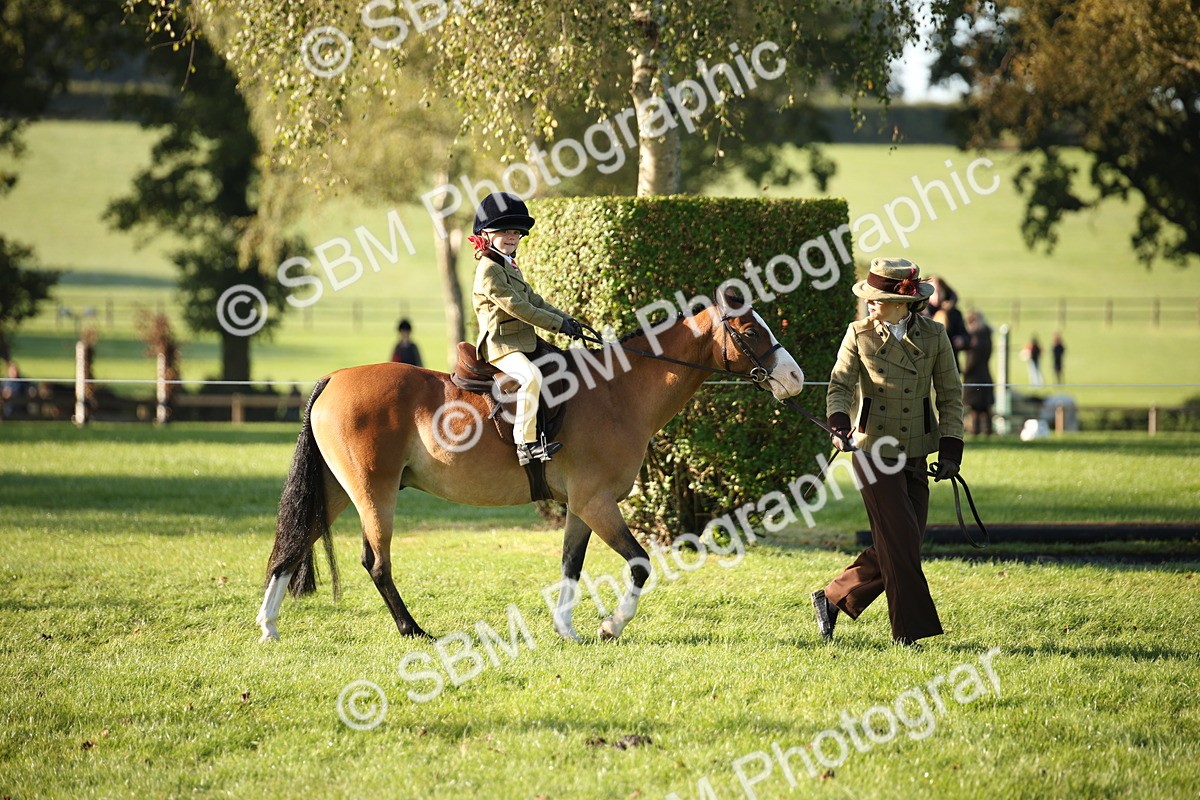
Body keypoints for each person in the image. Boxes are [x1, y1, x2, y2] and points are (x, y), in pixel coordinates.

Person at [812, 257, 965, 646]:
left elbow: (950, 396)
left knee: (902, 544)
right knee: (900, 543)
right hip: (870, 451)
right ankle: (909, 634)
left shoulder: (935, 336)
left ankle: (832, 597)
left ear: (902, 302)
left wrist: (951, 450)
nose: (869, 303)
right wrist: (838, 424)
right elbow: (840, 385)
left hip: (916, 454)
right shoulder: (858, 333)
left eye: (877, 298)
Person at [470, 192, 584, 465]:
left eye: (516, 232)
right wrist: (557, 325)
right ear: (485, 234)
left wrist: (569, 320)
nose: (512, 237)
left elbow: (534, 300)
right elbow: (518, 308)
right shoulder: (489, 270)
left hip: (522, 341)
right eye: (504, 231)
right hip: (500, 345)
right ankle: (526, 444)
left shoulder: (508, 266)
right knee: (531, 376)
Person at [924, 276, 970, 370]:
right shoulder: (919, 313)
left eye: (940, 292)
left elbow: (966, 337)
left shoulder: (954, 314)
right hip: (925, 365)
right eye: (933, 293)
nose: (937, 296)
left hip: (949, 364)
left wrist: (961, 340)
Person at [962, 310, 995, 435]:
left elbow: (972, 359)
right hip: (985, 374)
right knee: (985, 408)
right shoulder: (986, 336)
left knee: (975, 408)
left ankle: (975, 431)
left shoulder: (975, 338)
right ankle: (988, 431)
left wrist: (965, 371)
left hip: (974, 377)